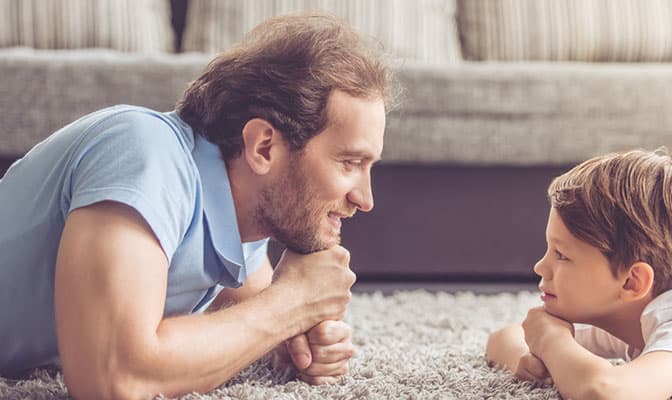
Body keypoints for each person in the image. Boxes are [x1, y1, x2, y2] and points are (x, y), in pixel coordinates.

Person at [0, 12, 395, 399]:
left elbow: (255, 321)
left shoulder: (244, 223)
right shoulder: (143, 152)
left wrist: (296, 340)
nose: (366, 199)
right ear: (264, 147)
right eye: (350, 163)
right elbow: (112, 378)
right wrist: (291, 304)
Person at [485, 149, 672, 399]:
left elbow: (607, 392)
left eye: (561, 255)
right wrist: (527, 356)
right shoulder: (631, 314)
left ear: (632, 282)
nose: (540, 266)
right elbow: (503, 337)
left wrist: (551, 342)